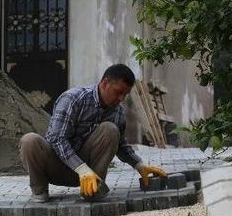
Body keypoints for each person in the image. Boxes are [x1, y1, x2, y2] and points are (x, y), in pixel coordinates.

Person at [19, 63, 166, 202]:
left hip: (90, 175)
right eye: (118, 92)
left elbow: (120, 145)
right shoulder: (73, 99)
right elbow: (56, 139)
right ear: (105, 83)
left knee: (110, 129)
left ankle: (93, 190)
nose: (121, 99)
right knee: (29, 140)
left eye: (125, 94)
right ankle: (39, 190)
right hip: (55, 168)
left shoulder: (118, 112)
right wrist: (81, 169)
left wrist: (139, 165)